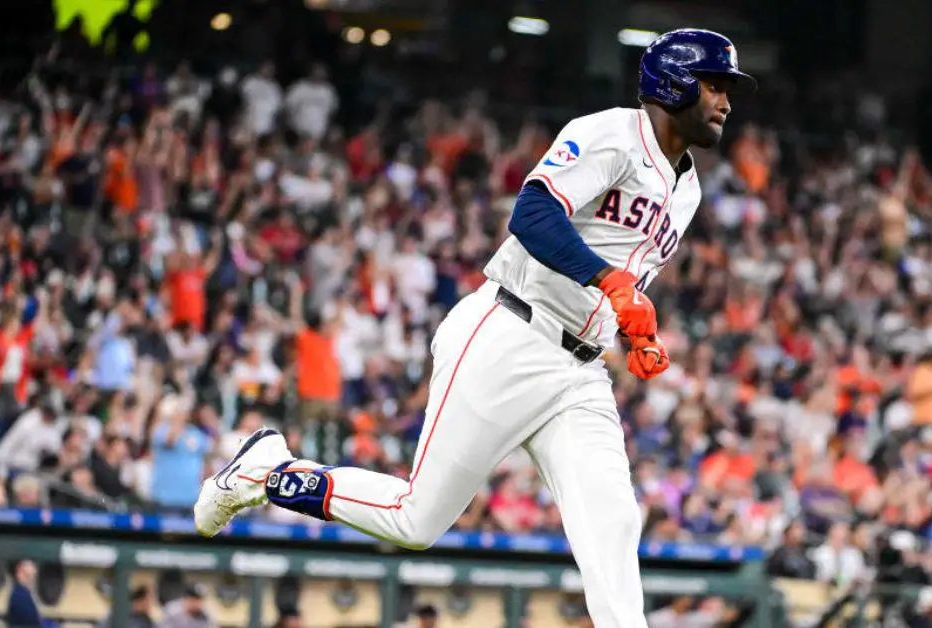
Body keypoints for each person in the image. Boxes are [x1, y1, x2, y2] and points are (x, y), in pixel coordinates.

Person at [194, 28, 754, 628]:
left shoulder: (689, 186)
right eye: (713, 84)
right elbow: (534, 214)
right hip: (510, 332)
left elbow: (622, 267)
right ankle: (269, 474)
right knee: (416, 521)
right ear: (672, 83)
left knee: (613, 519)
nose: (724, 101)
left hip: (582, 368)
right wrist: (611, 283)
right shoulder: (611, 134)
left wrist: (636, 332)